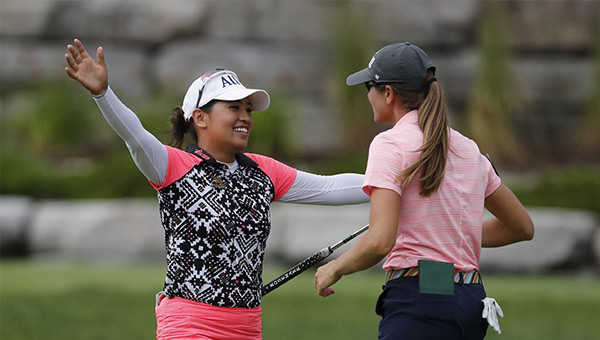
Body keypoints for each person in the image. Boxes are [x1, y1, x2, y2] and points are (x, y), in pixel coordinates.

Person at [65, 38, 369, 340]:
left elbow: (330, 187)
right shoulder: (172, 165)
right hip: (188, 326)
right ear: (200, 118)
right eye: (233, 108)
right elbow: (135, 136)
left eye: (248, 109)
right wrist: (103, 94)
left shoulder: (262, 171)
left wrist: (396, 179)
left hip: (247, 328)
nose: (245, 117)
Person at [314, 42, 534, 340]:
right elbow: (521, 226)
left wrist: (335, 268)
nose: (367, 95)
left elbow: (380, 241)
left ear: (388, 93)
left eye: (369, 86)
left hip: (420, 302)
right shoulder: (469, 148)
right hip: (472, 301)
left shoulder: (389, 144)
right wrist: (443, 232)